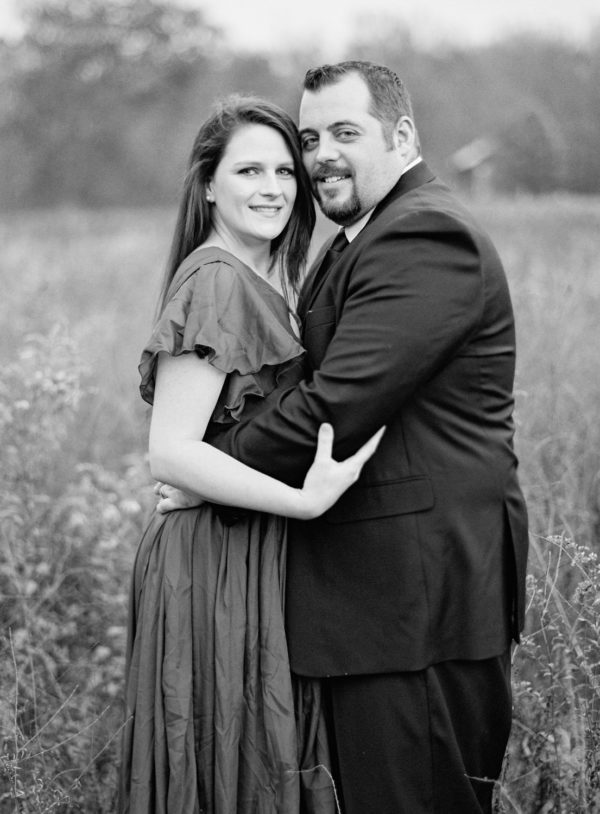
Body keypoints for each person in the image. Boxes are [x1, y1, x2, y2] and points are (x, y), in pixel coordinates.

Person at [161, 60, 530, 813]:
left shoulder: (425, 234)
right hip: (377, 602)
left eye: (345, 133)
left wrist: (203, 468)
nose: (321, 154)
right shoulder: (357, 238)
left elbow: (337, 403)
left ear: (403, 136)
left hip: (418, 602)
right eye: (310, 138)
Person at [117, 95, 383, 814]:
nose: (273, 188)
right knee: (228, 761)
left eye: (285, 171)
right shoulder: (217, 281)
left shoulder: (270, 280)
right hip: (212, 562)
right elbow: (171, 453)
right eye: (248, 171)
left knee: (258, 759)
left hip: (251, 548)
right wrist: (305, 500)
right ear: (208, 185)